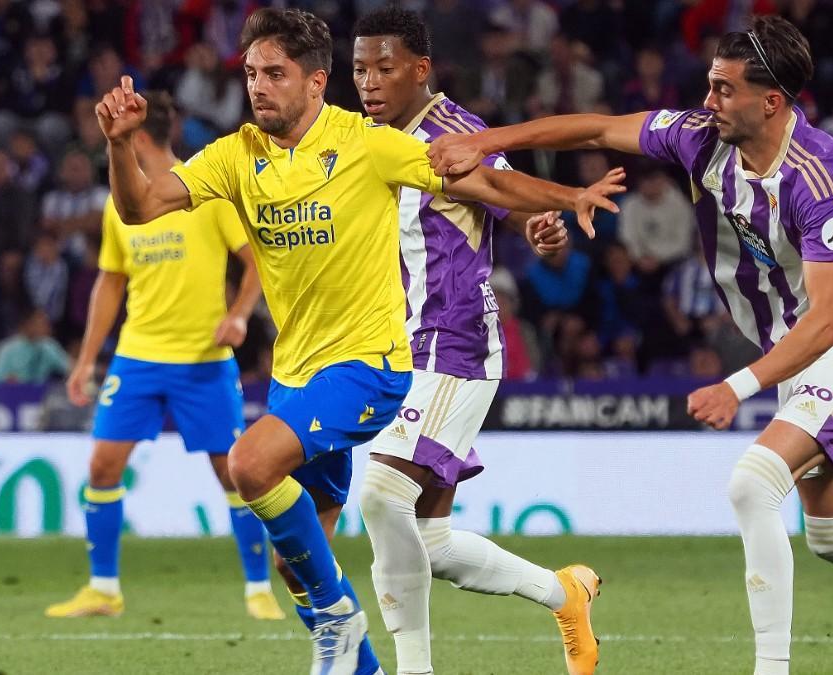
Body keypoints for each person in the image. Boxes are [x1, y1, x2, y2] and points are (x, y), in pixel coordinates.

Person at [94, 8, 623, 673]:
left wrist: (558, 203)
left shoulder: (403, 140)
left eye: (275, 74)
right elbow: (139, 207)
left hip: (422, 347)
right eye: (251, 73)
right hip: (312, 364)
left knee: (321, 483)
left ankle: (385, 651)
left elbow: (490, 186)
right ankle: (556, 592)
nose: (258, 86)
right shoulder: (253, 152)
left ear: (320, 82)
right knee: (350, 551)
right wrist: (119, 144)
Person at [428, 15, 833, 675]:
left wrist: (736, 385)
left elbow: (830, 321)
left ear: (771, 101)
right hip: (797, 346)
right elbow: (596, 127)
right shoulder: (701, 138)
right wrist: (487, 139)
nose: (708, 101)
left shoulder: (822, 182)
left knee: (753, 484)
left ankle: (771, 668)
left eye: (724, 90)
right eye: (709, 85)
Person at [350, 8, 600, 675]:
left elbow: (507, 196)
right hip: (392, 348)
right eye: (359, 68)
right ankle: (564, 591)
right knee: (426, 541)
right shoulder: (363, 137)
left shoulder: (456, 135)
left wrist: (542, 225)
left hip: (451, 341)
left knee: (378, 494)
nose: (369, 82)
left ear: (420, 69)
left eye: (383, 67)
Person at [45, 91, 284, 623]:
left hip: (203, 360)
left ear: (142, 137)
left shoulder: (205, 196)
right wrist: (86, 360)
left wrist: (241, 315)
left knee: (235, 474)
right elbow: (111, 283)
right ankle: (103, 590)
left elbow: (256, 262)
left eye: (123, 135)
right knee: (103, 466)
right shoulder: (118, 203)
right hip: (137, 359)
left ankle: (257, 589)